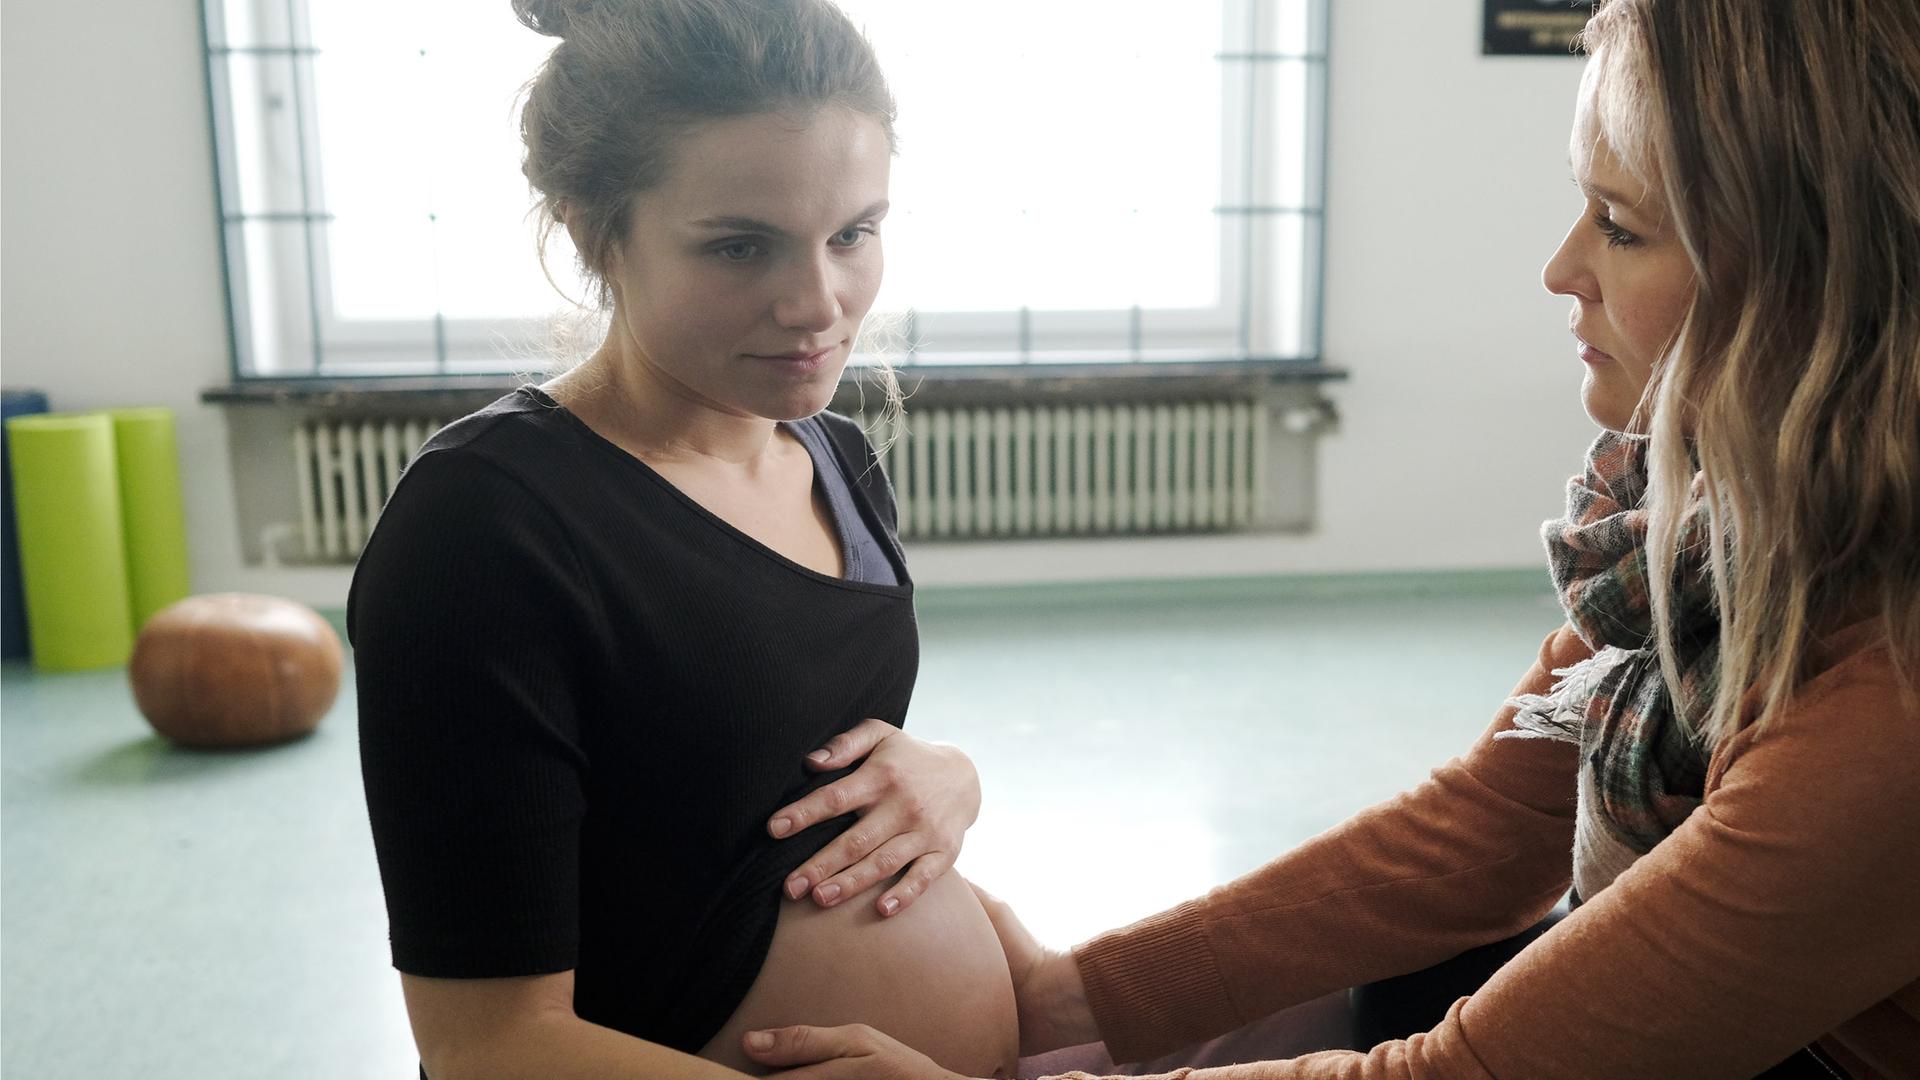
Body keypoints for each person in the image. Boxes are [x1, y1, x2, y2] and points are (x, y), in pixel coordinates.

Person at [741, 0, 1920, 1076]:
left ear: (1811, 279)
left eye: (1620, 226)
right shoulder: (1697, 531)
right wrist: (1070, 994)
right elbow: (1490, 830)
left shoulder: (1890, 706)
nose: (1561, 268)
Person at [349, 2, 1019, 1077]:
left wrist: (943, 775)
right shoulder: (486, 524)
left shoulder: (836, 458)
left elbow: (741, 803)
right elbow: (486, 1045)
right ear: (590, 231)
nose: (818, 304)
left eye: (853, 234)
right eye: (740, 247)